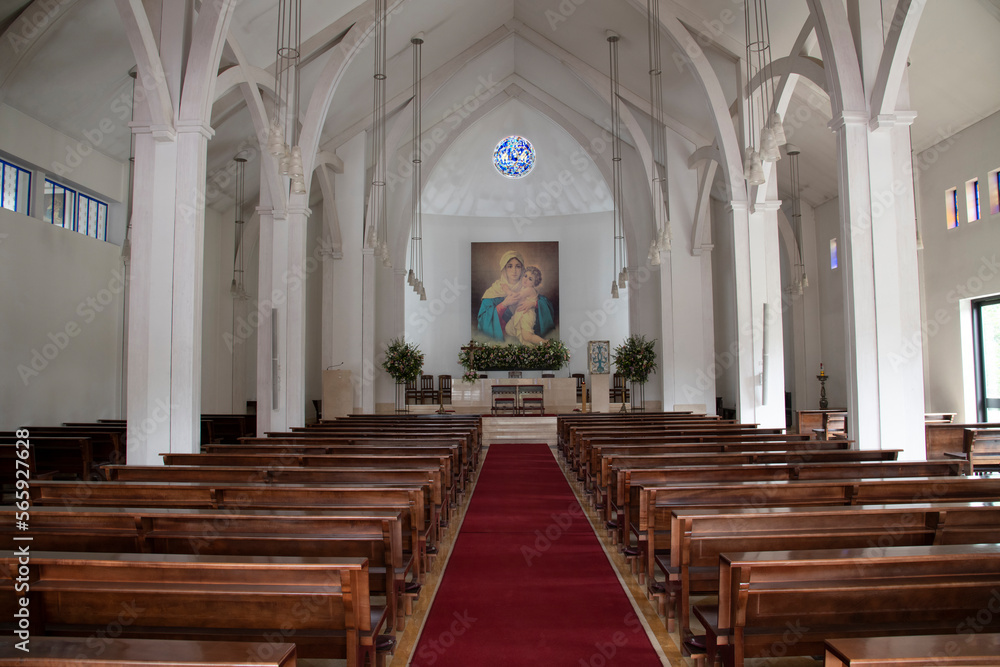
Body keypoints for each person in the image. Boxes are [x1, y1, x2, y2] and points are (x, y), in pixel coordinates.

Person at [477, 250, 554, 343]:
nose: (514, 270)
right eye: (510, 266)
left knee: (527, 337)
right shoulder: (494, 290)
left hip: (524, 324)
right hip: (504, 338)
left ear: (522, 269)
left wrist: (534, 304)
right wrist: (504, 304)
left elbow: (546, 304)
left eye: (518, 266)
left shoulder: (527, 286)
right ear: (504, 268)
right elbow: (483, 319)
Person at [504, 266, 547, 345]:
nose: (526, 279)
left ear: (534, 283)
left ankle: (545, 343)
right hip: (520, 313)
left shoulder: (529, 289)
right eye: (525, 276)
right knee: (509, 329)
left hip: (526, 315)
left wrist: (507, 290)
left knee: (527, 336)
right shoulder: (524, 288)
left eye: (530, 279)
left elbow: (516, 296)